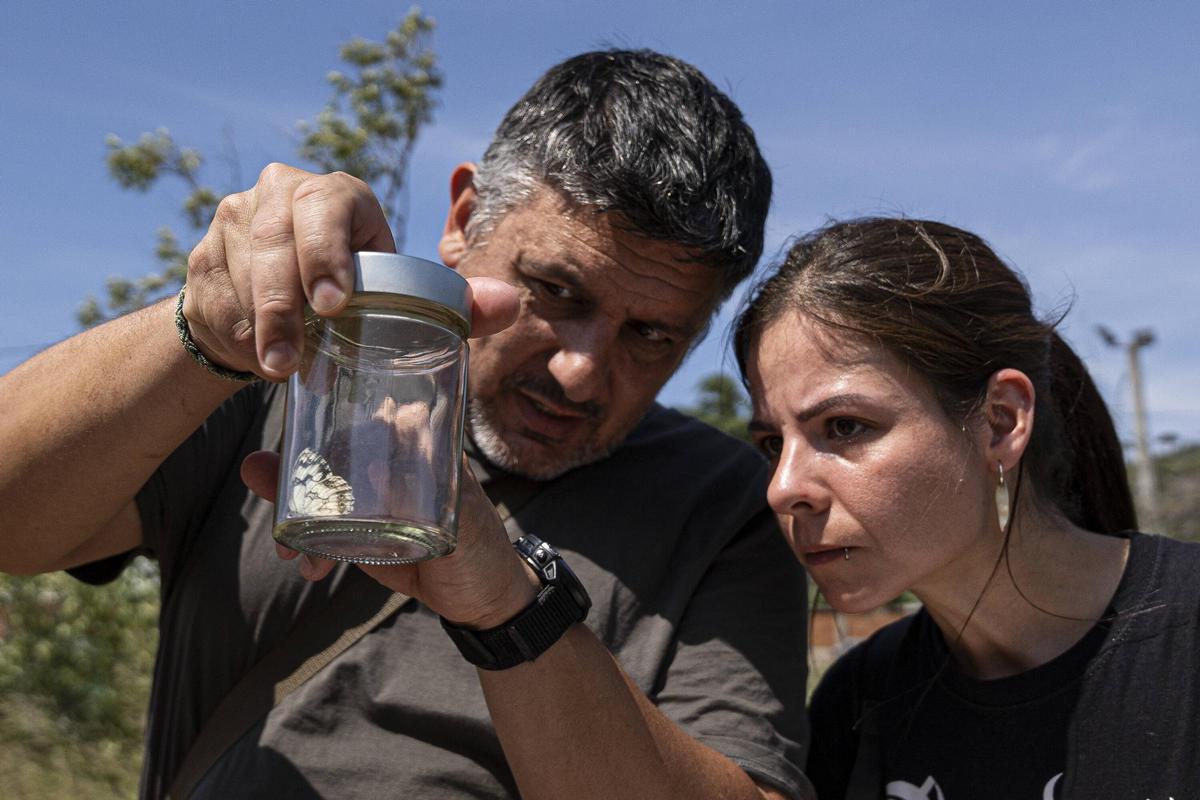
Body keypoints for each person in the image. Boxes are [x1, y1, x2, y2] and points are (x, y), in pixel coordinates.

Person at [0, 50, 814, 799]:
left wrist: (512, 607)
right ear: (462, 217)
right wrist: (206, 332)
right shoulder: (282, 377)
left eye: (652, 336)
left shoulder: (728, 506)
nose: (581, 371)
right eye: (557, 291)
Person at [733, 217, 1200, 799]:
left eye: (844, 426)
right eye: (773, 445)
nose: (783, 488)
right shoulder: (862, 700)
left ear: (1000, 422)